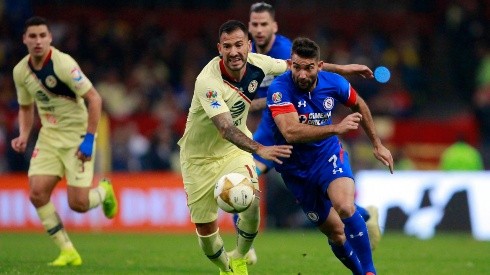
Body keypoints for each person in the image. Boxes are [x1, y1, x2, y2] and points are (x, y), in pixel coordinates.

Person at [231, 2, 382, 264]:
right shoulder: (246, 53)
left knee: (329, 199)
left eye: (263, 24)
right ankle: (245, 249)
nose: (258, 29)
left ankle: (360, 215)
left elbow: (308, 68)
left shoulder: (282, 50)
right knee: (243, 182)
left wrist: (342, 69)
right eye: (254, 24)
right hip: (269, 130)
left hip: (289, 128)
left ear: (274, 26)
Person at [266, 37, 394, 274]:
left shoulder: (334, 83)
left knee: (344, 207)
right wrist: (336, 127)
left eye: (308, 67)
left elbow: (360, 105)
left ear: (320, 66)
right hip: (295, 170)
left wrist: (377, 144)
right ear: (289, 64)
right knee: (336, 233)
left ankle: (369, 271)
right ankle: (364, 219)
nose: (302, 74)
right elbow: (290, 132)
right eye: (297, 67)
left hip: (327, 156)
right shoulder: (279, 89)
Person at [177, 20, 294, 275]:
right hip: (198, 159)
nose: (233, 51)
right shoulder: (207, 80)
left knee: (251, 201)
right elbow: (226, 129)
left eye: (239, 45)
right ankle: (226, 267)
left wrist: (339, 72)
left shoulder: (258, 63)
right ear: (220, 48)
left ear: (248, 46)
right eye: (227, 46)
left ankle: (240, 256)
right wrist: (260, 149)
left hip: (233, 151)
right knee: (207, 235)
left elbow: (298, 67)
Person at [11, 16, 118, 267]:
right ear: (24, 39)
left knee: (78, 204)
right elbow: (26, 107)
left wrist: (89, 139)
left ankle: (104, 191)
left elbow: (95, 99)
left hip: (77, 137)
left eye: (42, 36)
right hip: (49, 137)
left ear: (50, 38)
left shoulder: (63, 64)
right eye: (33, 36)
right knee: (37, 194)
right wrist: (24, 134)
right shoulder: (20, 71)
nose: (38, 41)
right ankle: (68, 250)